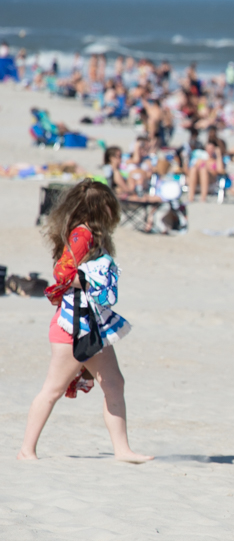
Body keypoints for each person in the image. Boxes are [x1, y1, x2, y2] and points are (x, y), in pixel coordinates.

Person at [18, 180, 152, 463]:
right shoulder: (82, 235)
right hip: (73, 326)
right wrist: (92, 283)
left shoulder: (91, 235)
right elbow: (61, 274)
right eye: (108, 205)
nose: (112, 209)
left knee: (114, 383)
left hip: (91, 325)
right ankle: (26, 450)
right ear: (98, 207)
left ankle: (122, 450)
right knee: (52, 389)